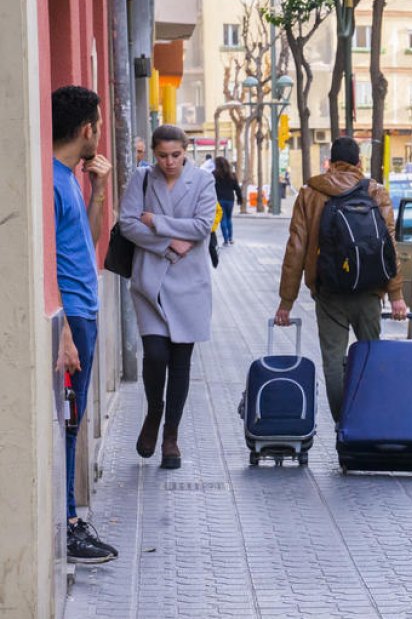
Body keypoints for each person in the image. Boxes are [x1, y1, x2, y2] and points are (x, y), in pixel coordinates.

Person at [275, 136, 408, 423]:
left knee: (334, 360)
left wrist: (286, 302)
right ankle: (368, 420)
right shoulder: (375, 191)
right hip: (369, 290)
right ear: (359, 163)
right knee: (370, 355)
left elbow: (295, 249)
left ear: (330, 163)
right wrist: (396, 296)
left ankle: (343, 422)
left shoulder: (310, 193)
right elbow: (389, 245)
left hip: (329, 292)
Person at [119, 125, 217, 470]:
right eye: (162, 155)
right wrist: (168, 243)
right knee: (156, 354)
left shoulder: (203, 181)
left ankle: (170, 437)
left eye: (176, 155)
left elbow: (203, 226)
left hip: (190, 284)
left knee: (180, 362)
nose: (169, 161)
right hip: (150, 283)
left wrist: (156, 221)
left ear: (185, 151)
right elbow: (128, 224)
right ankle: (153, 412)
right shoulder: (142, 179)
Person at [50, 85, 119, 564]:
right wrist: (67, 333)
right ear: (85, 129)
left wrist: (98, 194)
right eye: (97, 123)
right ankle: (69, 526)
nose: (99, 132)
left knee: (72, 424)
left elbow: (87, 241)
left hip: (84, 311)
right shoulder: (51, 182)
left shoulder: (71, 178)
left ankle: (70, 520)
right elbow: (48, 261)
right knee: (69, 426)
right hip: (72, 316)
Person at [213, 157, 242, 246]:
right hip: (230, 199)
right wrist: (240, 198)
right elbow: (237, 188)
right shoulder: (232, 175)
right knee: (229, 219)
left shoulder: (214, 175)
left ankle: (226, 240)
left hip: (219, 199)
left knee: (223, 219)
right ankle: (230, 238)